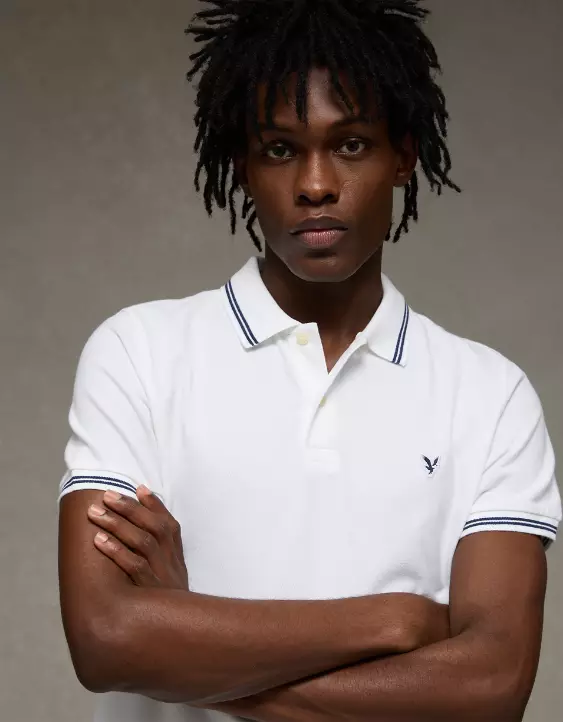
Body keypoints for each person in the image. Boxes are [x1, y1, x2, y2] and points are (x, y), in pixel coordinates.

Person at [58, 1, 562, 721]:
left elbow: (490, 688)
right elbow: (106, 640)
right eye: (279, 149)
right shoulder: (139, 352)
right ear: (241, 164)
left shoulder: (489, 395)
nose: (316, 183)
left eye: (351, 144)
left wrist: (185, 641)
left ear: (403, 156)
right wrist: (393, 620)